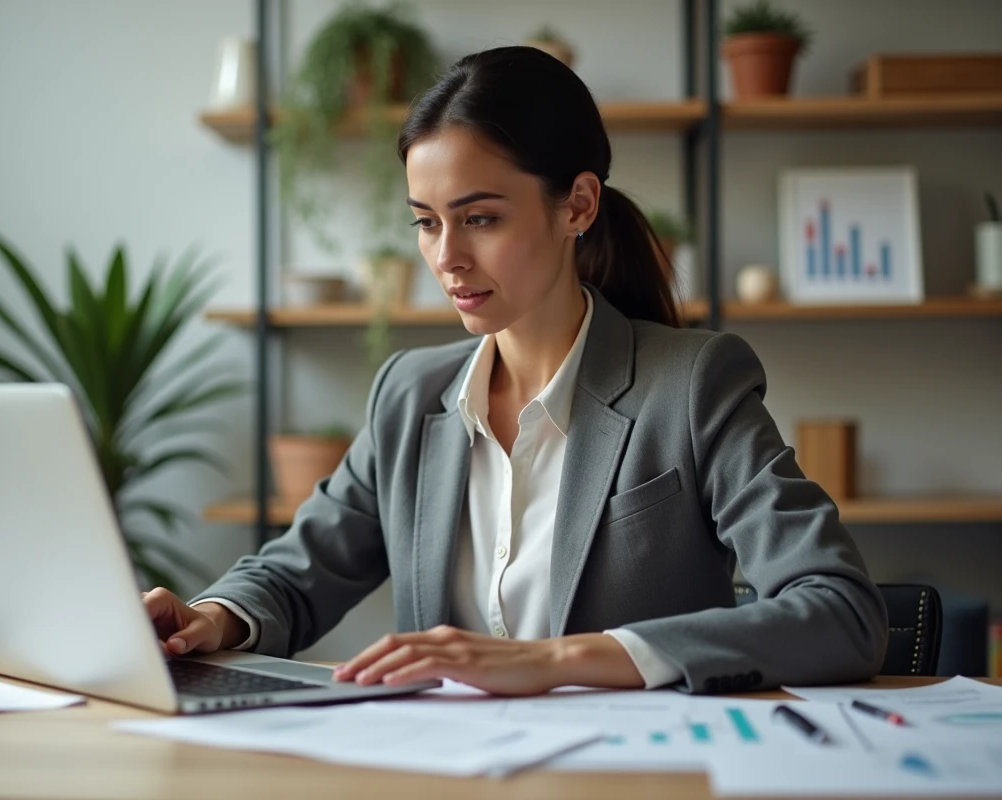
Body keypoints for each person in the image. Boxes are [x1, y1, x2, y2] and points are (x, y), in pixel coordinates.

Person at [144, 46, 887, 696]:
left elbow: (840, 609)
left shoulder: (692, 385)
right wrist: (209, 619)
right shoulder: (410, 395)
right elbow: (294, 575)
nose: (446, 258)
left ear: (578, 205)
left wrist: (556, 660)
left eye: (480, 218)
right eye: (427, 222)